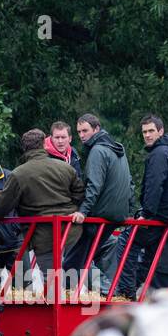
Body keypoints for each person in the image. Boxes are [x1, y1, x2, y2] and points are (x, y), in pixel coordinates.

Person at [0, 129, 86, 278]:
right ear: (44, 145)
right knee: (80, 280)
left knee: (53, 283)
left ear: (24, 148)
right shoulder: (65, 167)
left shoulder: (19, 174)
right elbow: (80, 193)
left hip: (44, 236)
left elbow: (1, 206)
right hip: (72, 231)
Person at [116, 114, 168, 298]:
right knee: (149, 250)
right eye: (144, 132)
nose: (148, 135)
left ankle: (126, 291)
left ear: (161, 131)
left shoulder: (159, 153)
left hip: (164, 216)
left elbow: (154, 185)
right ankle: (137, 284)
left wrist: (147, 214)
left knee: (127, 239)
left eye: (151, 131)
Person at [70, 114, 135, 292]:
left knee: (73, 260)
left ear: (96, 129)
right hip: (118, 215)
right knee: (88, 256)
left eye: (85, 131)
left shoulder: (98, 151)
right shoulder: (118, 150)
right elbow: (130, 183)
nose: (82, 135)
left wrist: (83, 211)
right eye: (79, 132)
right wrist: (130, 210)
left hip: (100, 215)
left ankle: (109, 291)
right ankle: (112, 290)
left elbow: (94, 185)